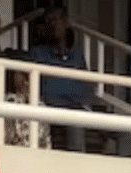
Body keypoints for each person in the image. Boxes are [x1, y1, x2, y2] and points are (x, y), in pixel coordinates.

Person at [30, 6, 91, 152]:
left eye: (59, 19)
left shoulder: (77, 55)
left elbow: (86, 86)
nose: (55, 23)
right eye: (50, 20)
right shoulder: (38, 53)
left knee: (126, 129)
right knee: (76, 121)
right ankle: (78, 169)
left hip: (78, 106)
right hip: (54, 106)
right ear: (45, 27)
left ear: (67, 23)